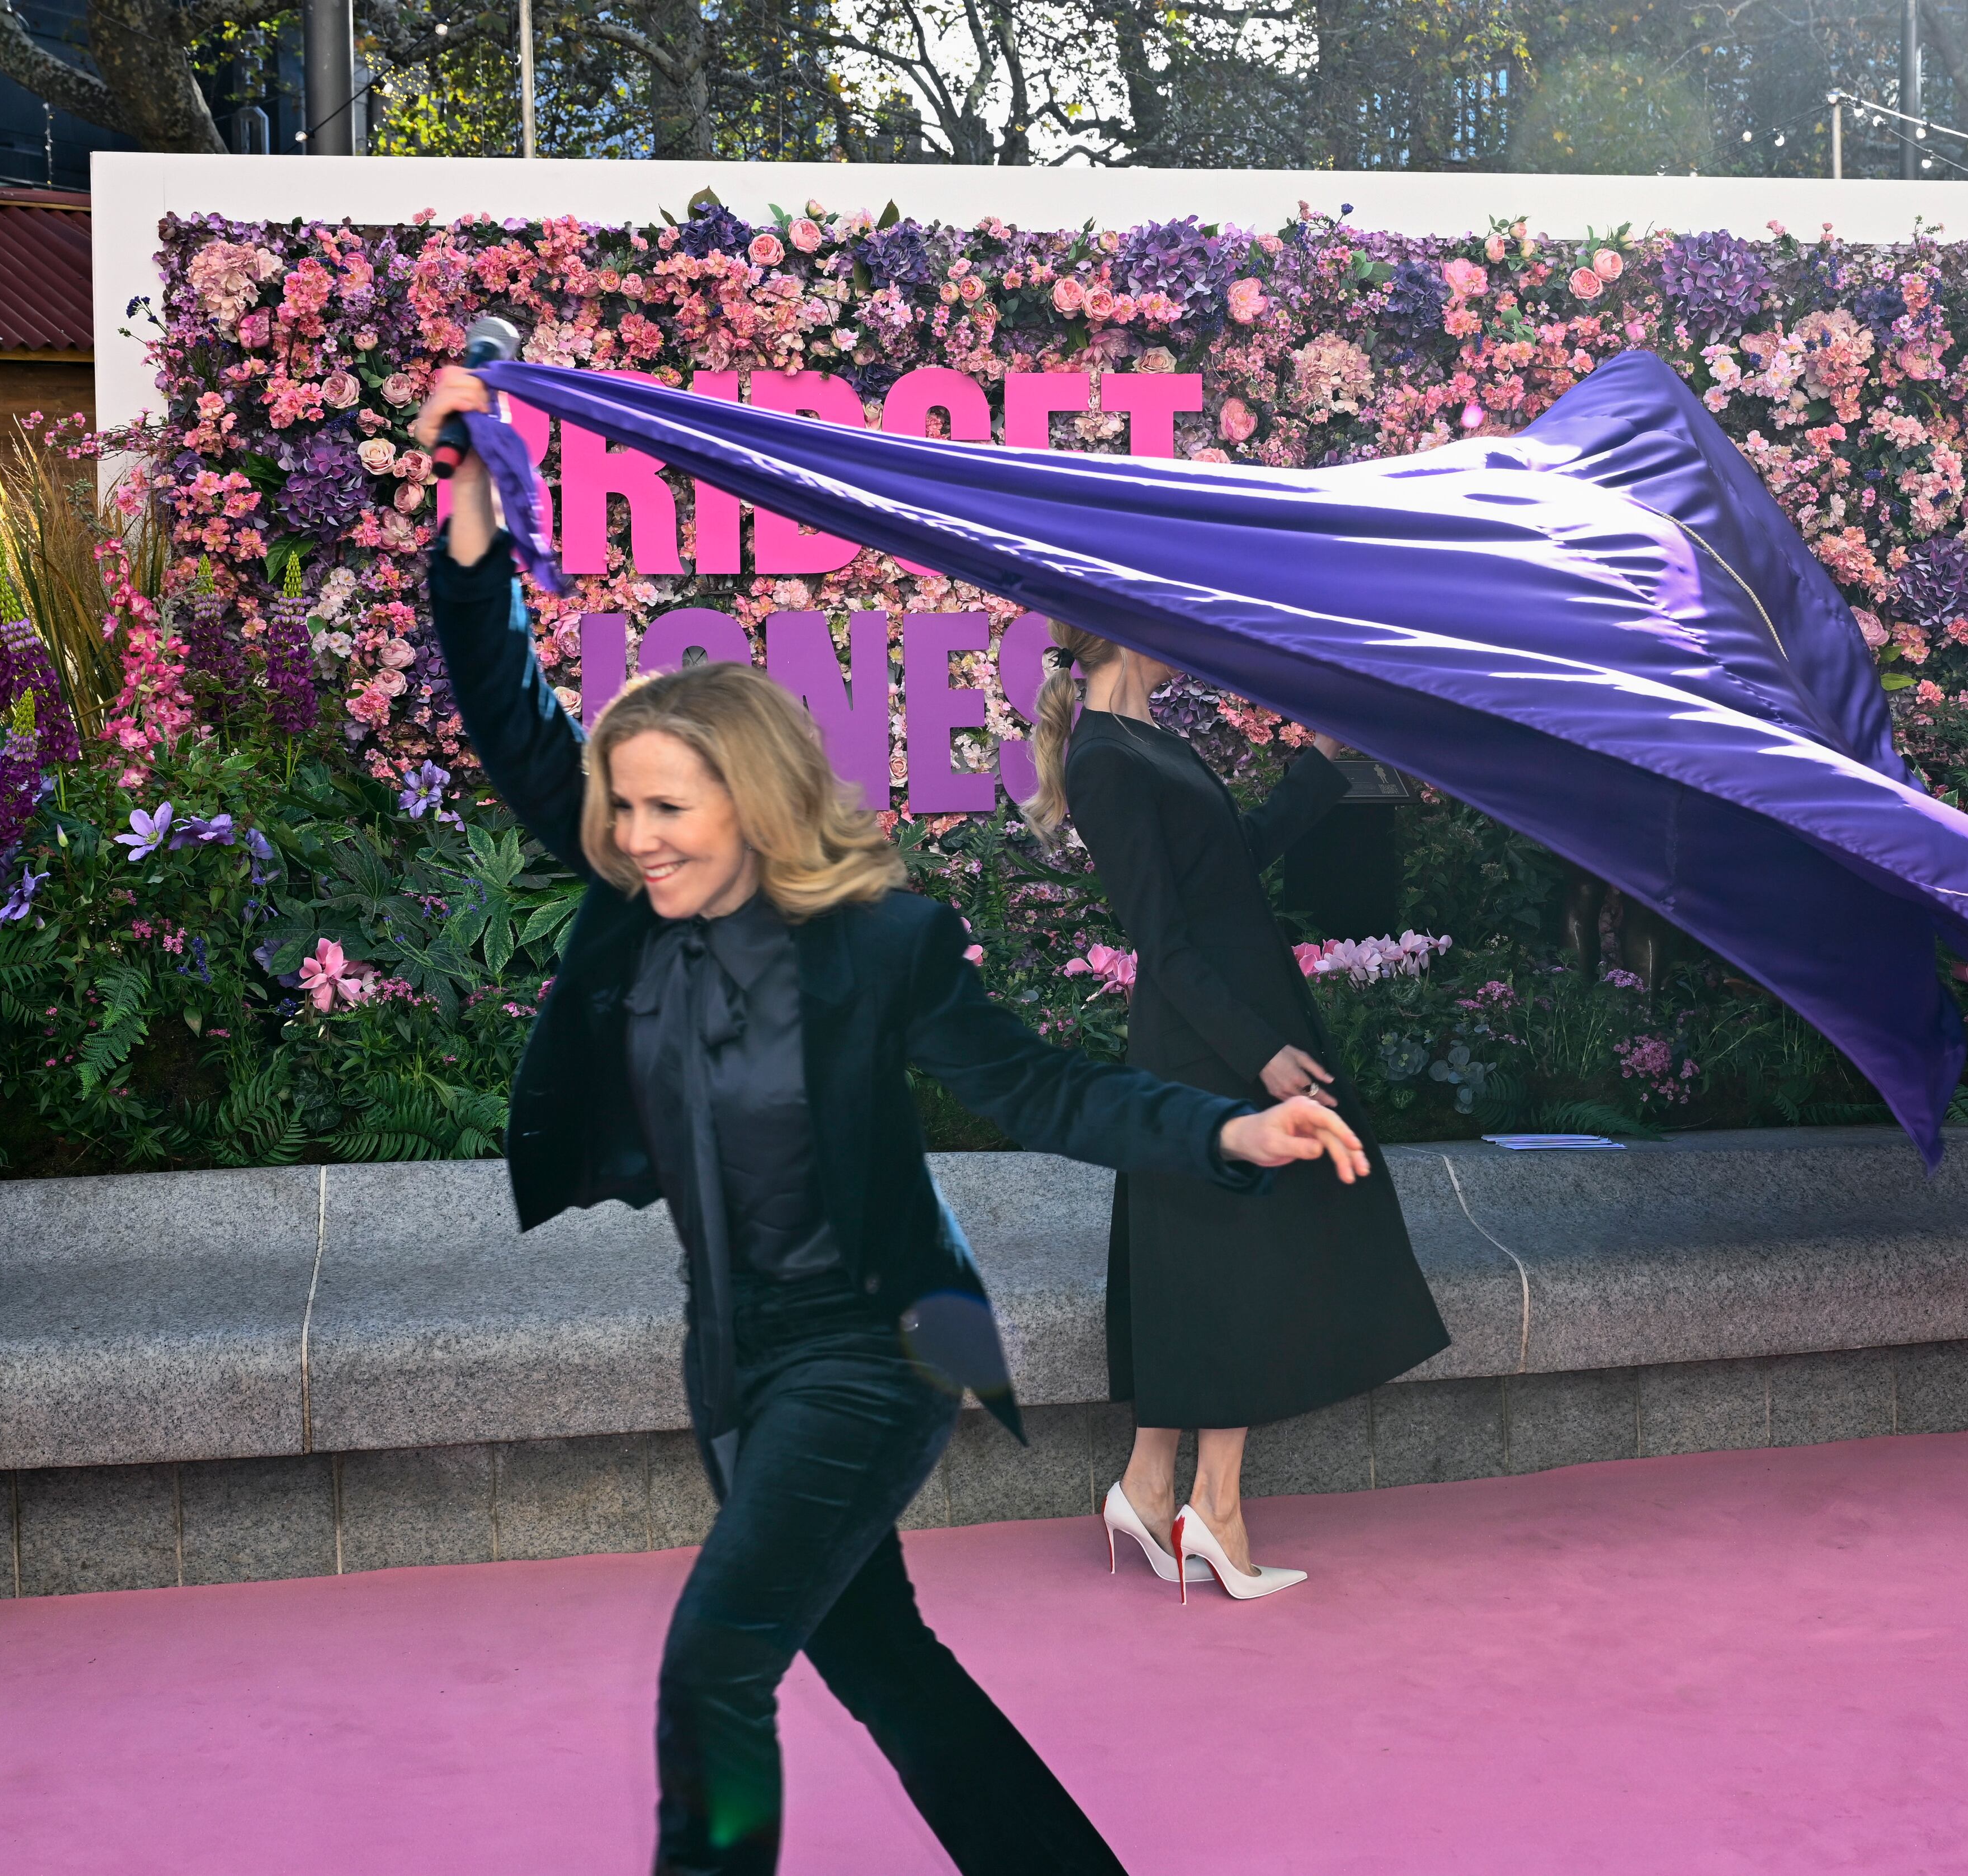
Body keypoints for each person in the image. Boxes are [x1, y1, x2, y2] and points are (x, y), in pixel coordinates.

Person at [411, 369, 1369, 1874]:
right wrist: (470, 538)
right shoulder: (638, 921)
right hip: (736, 1364)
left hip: (870, 1357)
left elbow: (1043, 1087)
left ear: (756, 801)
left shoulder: (881, 945)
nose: (639, 836)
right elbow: (513, 715)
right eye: (628, 811)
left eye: (673, 808)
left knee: (714, 1659)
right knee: (887, 1665)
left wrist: (1226, 1133)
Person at [1020, 625, 1451, 1601]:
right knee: (1240, 1259)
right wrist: (1256, 1052)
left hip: (1238, 1023)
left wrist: (1320, 759)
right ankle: (1208, 1507)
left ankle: (1154, 1484)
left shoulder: (1153, 742)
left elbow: (1232, 861)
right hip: (1208, 1042)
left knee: (1220, 1259)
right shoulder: (1104, 756)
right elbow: (1159, 939)